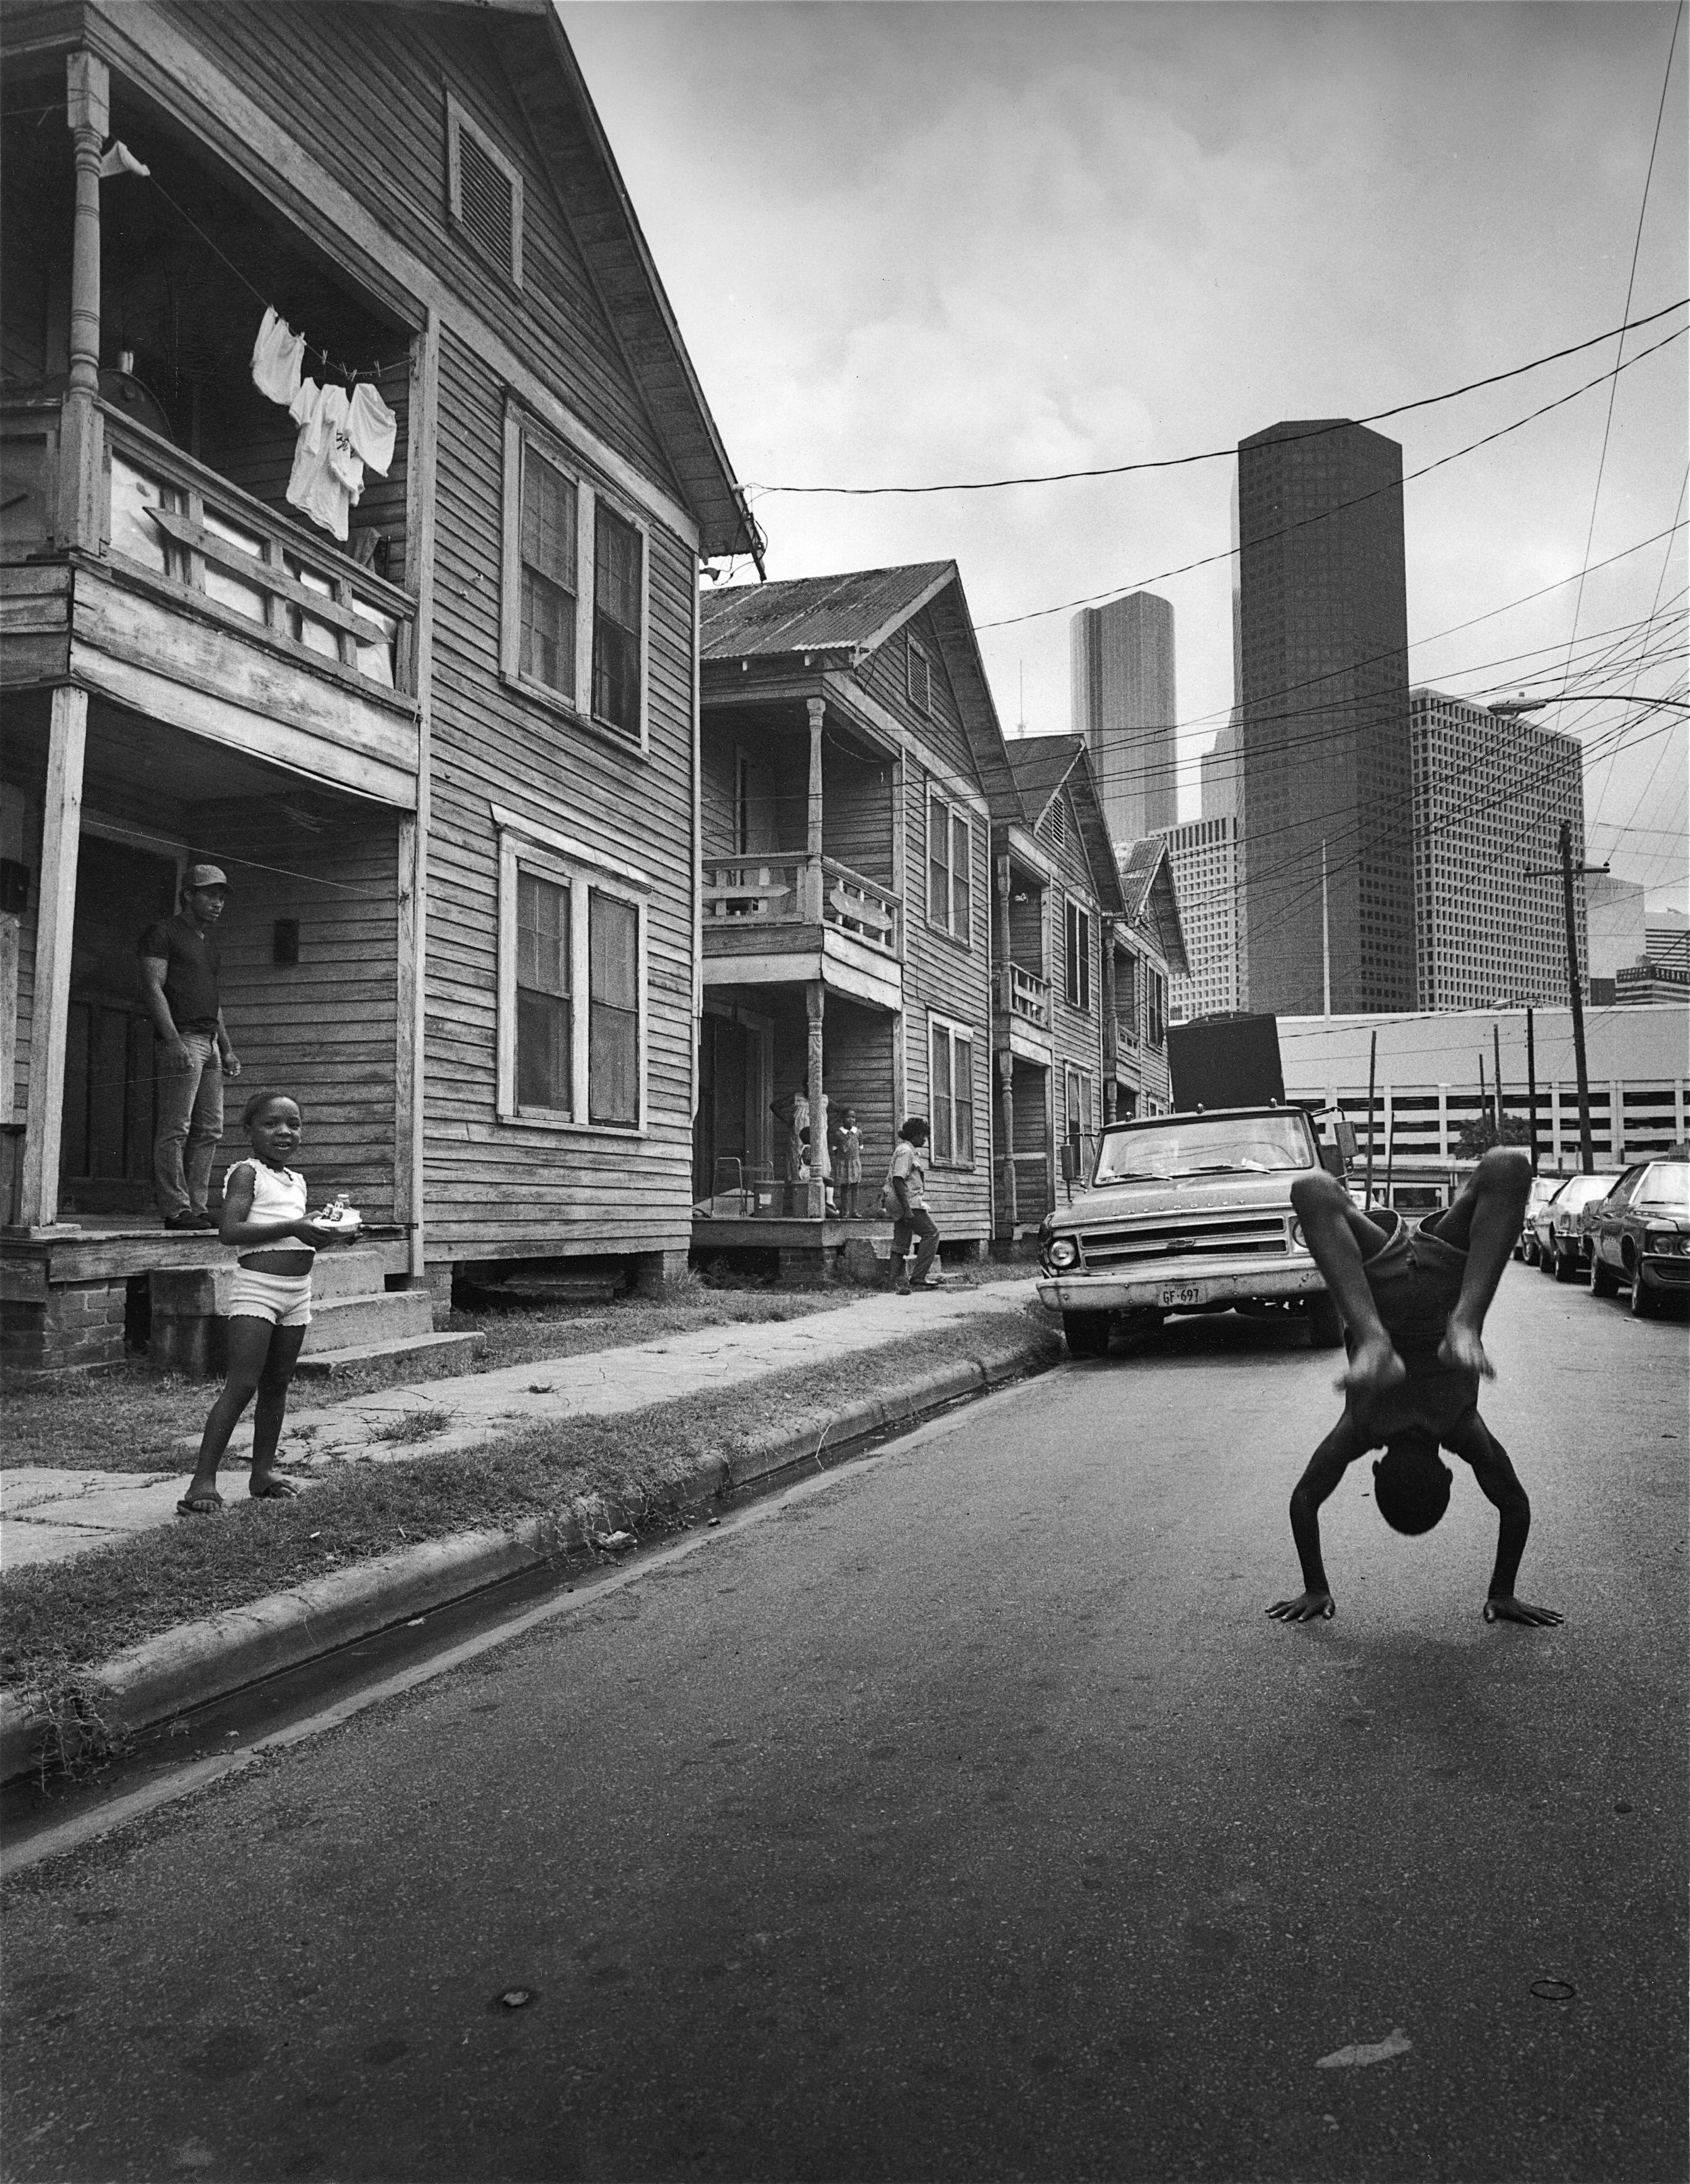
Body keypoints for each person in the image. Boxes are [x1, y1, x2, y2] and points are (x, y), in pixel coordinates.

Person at [1266, 1147, 1561, 1630]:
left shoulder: (1460, 1427)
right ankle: (1441, 1327)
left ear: (1447, 1475)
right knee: (1311, 1190)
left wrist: (1504, 1590)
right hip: (1390, 1277)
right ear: (1377, 1471)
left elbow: (1515, 1504)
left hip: (1434, 1275)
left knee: (1509, 1166)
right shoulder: (1364, 1427)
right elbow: (1304, 1500)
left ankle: (1406, 1333)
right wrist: (1314, 1584)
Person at [176, 1092, 350, 1515]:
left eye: (293, 1124)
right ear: (249, 1131)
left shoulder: (296, 1180)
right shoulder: (246, 1173)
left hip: (298, 1293)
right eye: (272, 1124)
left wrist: (330, 1234)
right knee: (242, 1384)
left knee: (277, 1385)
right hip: (258, 1291)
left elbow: (295, 1238)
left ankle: (262, 1473)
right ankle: (202, 1481)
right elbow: (230, 1232)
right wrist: (295, 1224)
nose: (284, 1132)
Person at [139, 863, 241, 1230]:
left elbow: (214, 1003)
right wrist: (173, 1039)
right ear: (188, 895)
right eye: (210, 895)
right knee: (176, 1127)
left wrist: (226, 1048)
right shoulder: (163, 932)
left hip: (210, 1043)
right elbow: (153, 987)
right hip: (182, 1040)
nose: (218, 903)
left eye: (222, 897)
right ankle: (175, 1209)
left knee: (210, 1129)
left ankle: (197, 1207)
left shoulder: (209, 947)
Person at [885, 1116, 940, 1294]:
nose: (925, 1139)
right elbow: (898, 1180)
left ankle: (891, 1282)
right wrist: (908, 1210)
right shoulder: (906, 1152)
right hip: (908, 1202)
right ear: (914, 1135)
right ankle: (918, 1278)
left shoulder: (908, 1150)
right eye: (923, 1135)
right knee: (931, 1233)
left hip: (903, 1203)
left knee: (901, 1242)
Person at [836, 1106, 865, 1218]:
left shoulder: (858, 1133)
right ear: (843, 1119)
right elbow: (836, 1149)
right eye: (848, 1117)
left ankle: (855, 1211)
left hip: (854, 1163)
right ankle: (845, 1211)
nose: (851, 1120)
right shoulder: (838, 1134)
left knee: (855, 1186)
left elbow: (860, 1147)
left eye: (853, 1117)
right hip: (843, 1163)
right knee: (844, 1187)